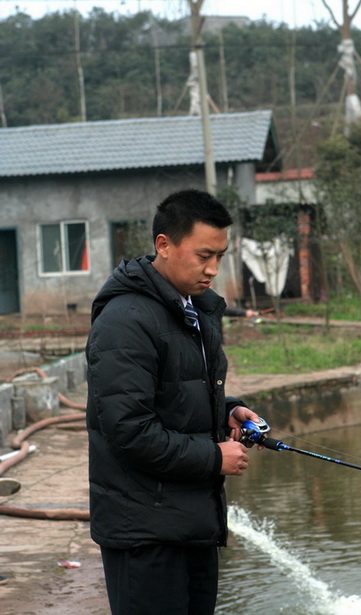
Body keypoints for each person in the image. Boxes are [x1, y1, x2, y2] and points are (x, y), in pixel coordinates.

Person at [86, 189, 262, 615]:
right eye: (204, 255)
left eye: (220, 256)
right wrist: (212, 457)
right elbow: (129, 430)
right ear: (163, 244)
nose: (212, 269)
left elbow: (177, 392)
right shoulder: (126, 319)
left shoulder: (192, 309)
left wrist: (227, 409)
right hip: (144, 532)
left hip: (192, 523)